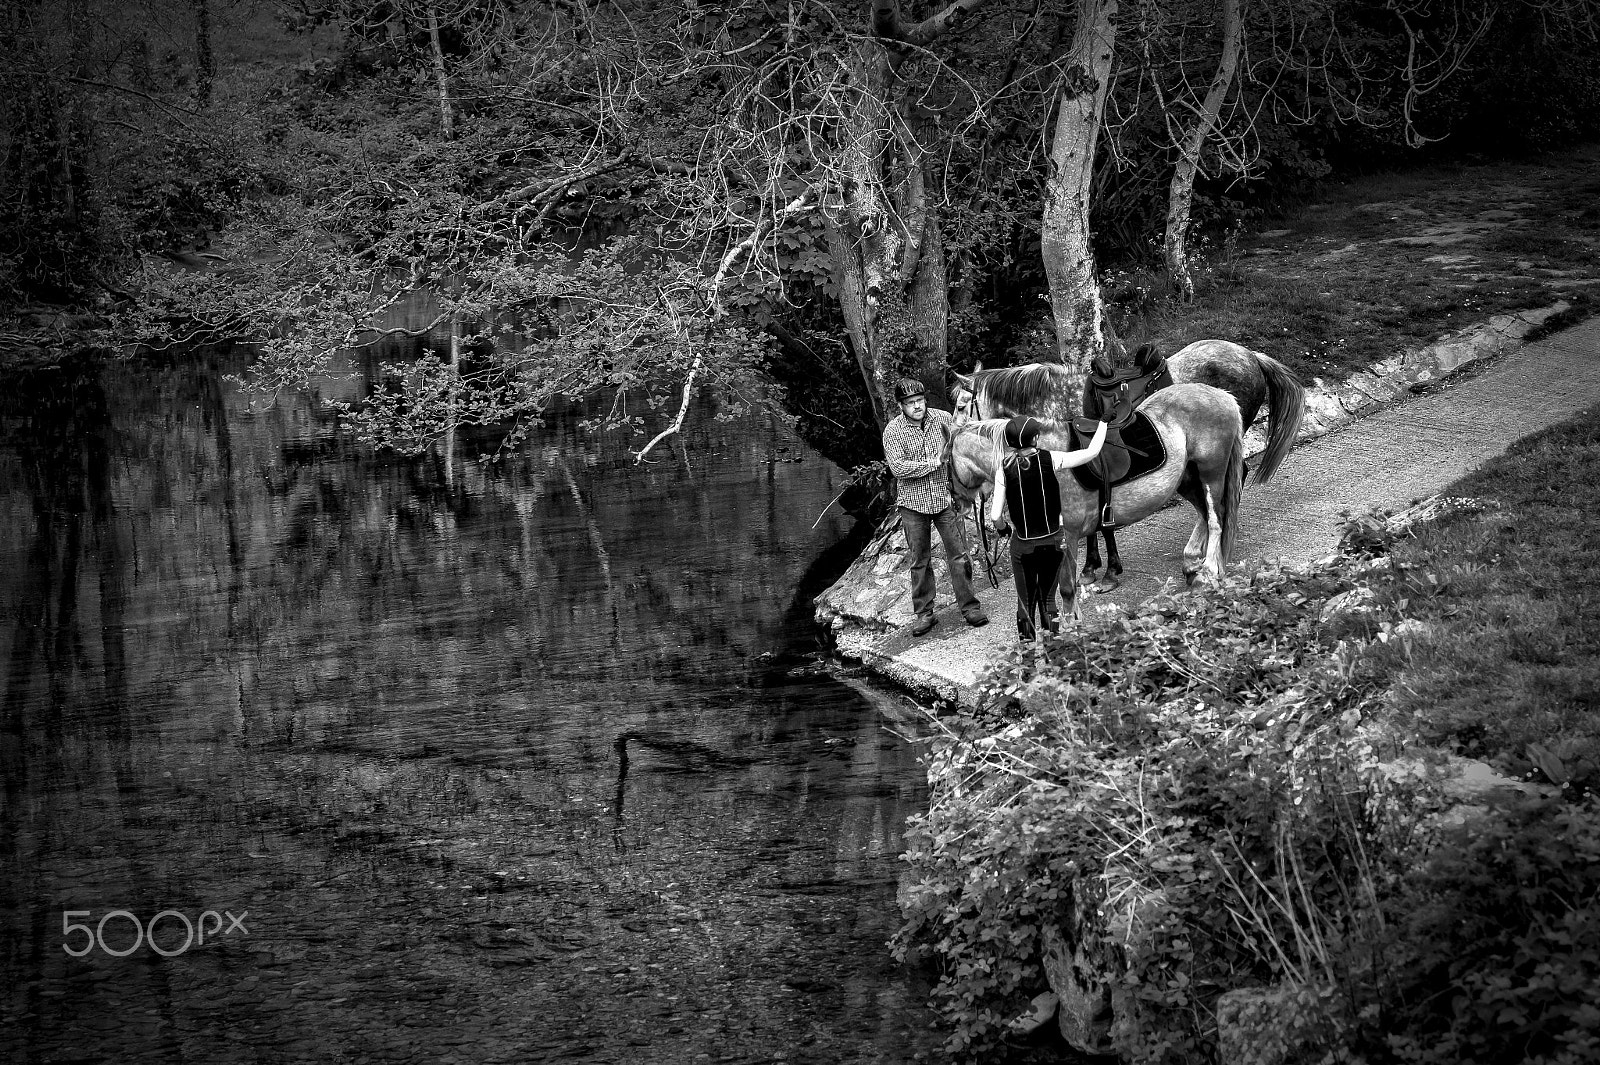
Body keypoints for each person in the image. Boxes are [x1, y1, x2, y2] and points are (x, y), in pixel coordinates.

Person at [882, 377, 989, 637]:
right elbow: (898, 468)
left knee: (959, 555)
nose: (917, 406)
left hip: (944, 500)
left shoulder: (941, 418)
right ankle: (924, 613)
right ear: (901, 406)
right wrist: (934, 462)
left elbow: (964, 428)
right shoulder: (892, 431)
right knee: (920, 561)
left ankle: (969, 607)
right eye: (910, 403)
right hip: (913, 505)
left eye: (920, 401)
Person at [987, 414, 1107, 640]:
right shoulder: (1051, 458)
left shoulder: (1004, 469)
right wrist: (1103, 423)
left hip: (1023, 546)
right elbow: (1091, 452)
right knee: (1049, 600)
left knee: (1026, 602)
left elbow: (995, 516)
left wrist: (1004, 528)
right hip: (1053, 541)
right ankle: (1053, 653)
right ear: (1035, 438)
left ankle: (1029, 663)